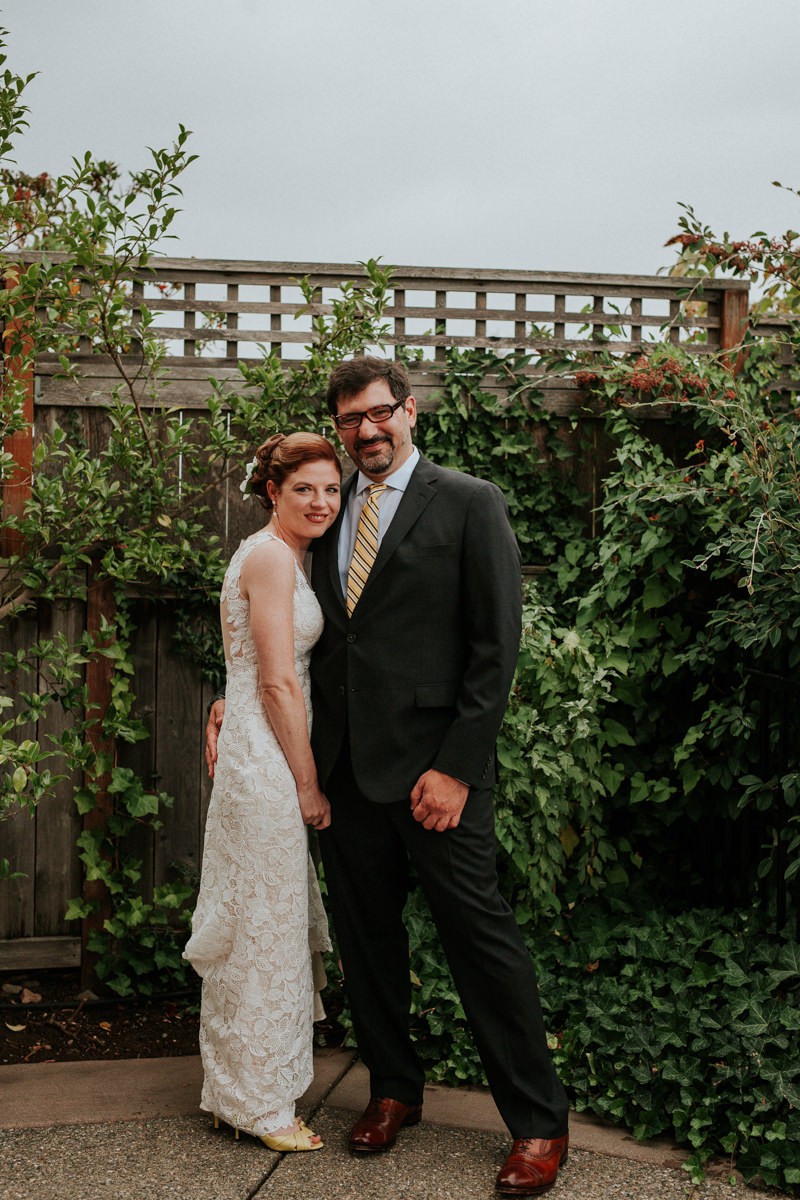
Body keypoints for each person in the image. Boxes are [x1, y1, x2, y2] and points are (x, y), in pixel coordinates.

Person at [207, 358, 569, 1195]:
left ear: (409, 411)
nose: (366, 432)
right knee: (371, 947)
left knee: (482, 945)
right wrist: (232, 701)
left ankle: (538, 1122)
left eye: (379, 415)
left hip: (436, 780)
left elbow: (495, 651)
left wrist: (456, 769)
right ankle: (393, 1090)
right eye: (349, 421)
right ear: (338, 429)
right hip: (343, 773)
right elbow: (287, 633)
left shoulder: (470, 503)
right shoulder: (324, 511)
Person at [185, 431, 342, 1153]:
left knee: (263, 921)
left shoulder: (280, 554)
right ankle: (260, 1104)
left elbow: (250, 662)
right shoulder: (275, 557)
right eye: (304, 488)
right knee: (263, 929)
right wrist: (309, 787)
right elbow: (278, 681)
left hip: (258, 739)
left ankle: (238, 1092)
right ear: (272, 490)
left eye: (331, 489)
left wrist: (227, 700)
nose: (321, 501)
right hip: (272, 758)